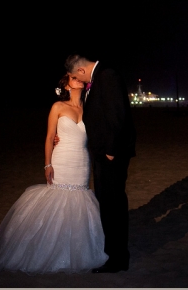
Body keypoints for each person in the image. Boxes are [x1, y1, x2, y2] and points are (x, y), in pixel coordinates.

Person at [0, 75, 108, 274]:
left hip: (82, 161)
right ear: (66, 85)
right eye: (73, 78)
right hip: (61, 159)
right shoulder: (58, 107)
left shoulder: (88, 109)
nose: (78, 80)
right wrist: (47, 165)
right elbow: (50, 137)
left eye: (79, 77)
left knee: (80, 200)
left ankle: (78, 249)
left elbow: (97, 133)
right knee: (58, 197)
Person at [64, 53, 136, 273]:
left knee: (112, 205)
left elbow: (117, 114)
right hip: (103, 153)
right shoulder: (101, 77)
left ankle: (117, 259)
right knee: (108, 204)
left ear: (81, 70)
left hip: (109, 154)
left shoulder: (107, 76)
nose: (80, 81)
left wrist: (111, 150)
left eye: (78, 77)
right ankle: (114, 255)